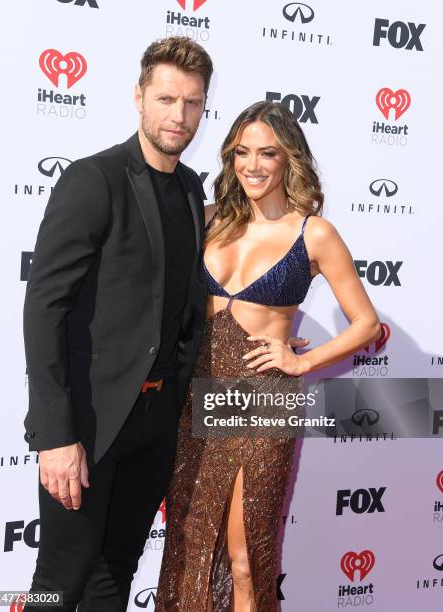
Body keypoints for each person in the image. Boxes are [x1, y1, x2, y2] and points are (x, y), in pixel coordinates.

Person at [154, 101, 381, 611]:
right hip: (197, 398)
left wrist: (301, 361)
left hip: (263, 402)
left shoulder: (313, 232)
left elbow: (366, 323)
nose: (252, 165)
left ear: (288, 160)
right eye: (242, 152)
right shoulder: (209, 219)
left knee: (244, 556)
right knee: (188, 548)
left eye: (267, 153)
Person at [22, 37, 214, 611]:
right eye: (166, 99)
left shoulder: (190, 188)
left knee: (117, 571)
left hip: (155, 423)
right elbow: (46, 306)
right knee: (61, 578)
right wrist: (56, 435)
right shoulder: (95, 179)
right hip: (89, 423)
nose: (179, 116)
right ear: (138, 97)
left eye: (193, 103)